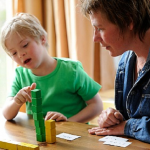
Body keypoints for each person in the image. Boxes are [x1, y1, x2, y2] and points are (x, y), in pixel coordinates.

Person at [0, 13, 103, 123]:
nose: (21, 54)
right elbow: (7, 114)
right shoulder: (20, 75)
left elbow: (96, 105)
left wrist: (68, 122)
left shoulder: (72, 70)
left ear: (42, 39)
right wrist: (16, 101)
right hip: (39, 138)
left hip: (72, 136)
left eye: (25, 45)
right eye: (14, 53)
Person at [80, 0, 150, 143]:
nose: (95, 38)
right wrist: (112, 117)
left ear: (128, 21)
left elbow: (127, 127)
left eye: (100, 28)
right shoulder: (125, 62)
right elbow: (125, 122)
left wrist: (127, 127)